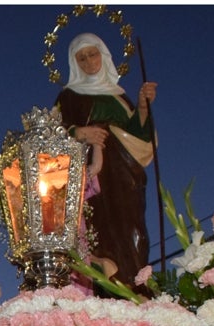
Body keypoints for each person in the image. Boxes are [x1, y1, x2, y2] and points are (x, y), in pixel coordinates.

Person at [56, 32, 158, 289]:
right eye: (81, 58)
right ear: (74, 64)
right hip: (93, 180)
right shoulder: (68, 98)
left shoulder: (118, 97)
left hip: (125, 176)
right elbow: (50, 136)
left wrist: (143, 109)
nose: (89, 62)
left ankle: (136, 289)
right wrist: (79, 133)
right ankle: (106, 293)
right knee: (99, 235)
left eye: (92, 54)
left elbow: (138, 139)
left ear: (104, 55)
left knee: (133, 232)